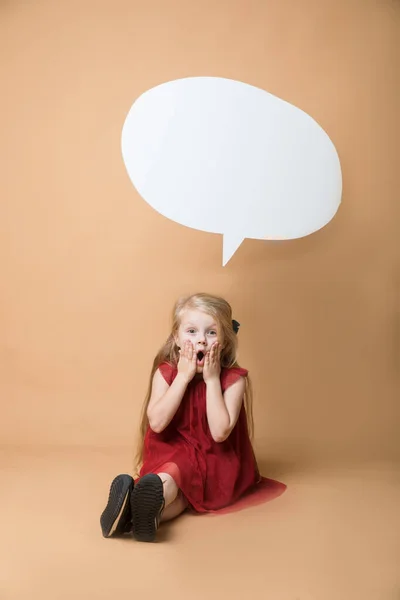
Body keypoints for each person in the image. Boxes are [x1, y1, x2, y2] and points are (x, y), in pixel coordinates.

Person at [100, 292, 263, 543]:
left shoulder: (234, 379)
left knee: (182, 495)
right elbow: (156, 422)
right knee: (172, 480)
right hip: (172, 452)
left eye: (211, 333)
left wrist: (210, 380)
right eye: (191, 332)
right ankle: (141, 511)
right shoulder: (166, 373)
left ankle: (129, 513)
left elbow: (220, 432)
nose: (201, 342)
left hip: (215, 461)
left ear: (225, 340)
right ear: (176, 338)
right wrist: (183, 377)